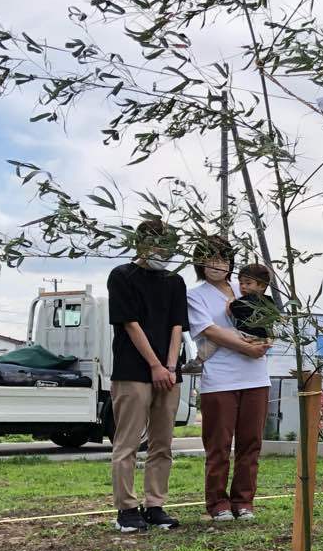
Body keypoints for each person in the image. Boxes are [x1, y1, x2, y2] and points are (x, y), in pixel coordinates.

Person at [107, 219, 189, 533]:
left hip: (169, 373)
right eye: (156, 244)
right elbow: (130, 323)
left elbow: (177, 325)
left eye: (167, 246)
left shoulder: (175, 281)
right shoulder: (121, 275)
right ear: (140, 244)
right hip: (132, 370)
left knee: (162, 444)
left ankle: (155, 505)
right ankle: (126, 509)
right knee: (127, 444)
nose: (162, 252)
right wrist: (154, 365)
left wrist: (169, 367)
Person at [186, 237, 272, 522]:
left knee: (251, 443)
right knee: (218, 445)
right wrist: (248, 347)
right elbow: (210, 331)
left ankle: (244, 502)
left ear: (230, 263)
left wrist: (266, 340)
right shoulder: (195, 295)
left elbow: (267, 318)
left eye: (222, 259)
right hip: (220, 379)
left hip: (256, 377)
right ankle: (217, 503)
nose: (216, 265)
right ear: (199, 263)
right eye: (209, 259)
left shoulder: (245, 286)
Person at [228, 263, 278, 342]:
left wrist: (230, 303)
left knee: (222, 334)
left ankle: (203, 353)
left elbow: (233, 310)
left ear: (262, 286)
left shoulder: (248, 300)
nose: (243, 286)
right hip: (264, 337)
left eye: (248, 283)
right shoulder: (269, 301)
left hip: (246, 334)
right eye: (241, 283)